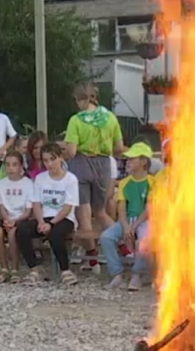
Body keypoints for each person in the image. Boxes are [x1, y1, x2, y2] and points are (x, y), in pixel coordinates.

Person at [65, 84, 122, 272]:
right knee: (100, 211)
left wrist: (63, 151)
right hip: (104, 165)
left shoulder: (76, 120)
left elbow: (71, 151)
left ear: (83, 100)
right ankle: (124, 244)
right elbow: (119, 148)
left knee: (84, 213)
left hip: (81, 164)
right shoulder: (110, 118)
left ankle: (93, 260)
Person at [16, 142, 80, 285]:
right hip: (44, 218)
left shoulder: (70, 179)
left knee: (55, 233)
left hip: (64, 219)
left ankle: (65, 270)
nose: (49, 164)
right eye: (46, 160)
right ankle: (35, 268)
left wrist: (51, 223)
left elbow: (68, 207)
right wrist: (41, 222)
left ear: (60, 158)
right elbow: (37, 203)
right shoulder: (40, 178)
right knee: (22, 229)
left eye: (53, 159)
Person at [101, 142, 155, 291]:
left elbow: (149, 209)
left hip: (145, 220)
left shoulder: (153, 182)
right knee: (106, 237)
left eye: (132, 159)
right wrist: (126, 227)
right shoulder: (124, 182)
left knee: (144, 241)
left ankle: (137, 274)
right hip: (128, 221)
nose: (127, 162)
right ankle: (117, 275)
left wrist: (134, 226)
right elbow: (122, 208)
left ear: (144, 162)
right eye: (128, 159)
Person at [0, 151, 34, 284]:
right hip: (7, 218)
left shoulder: (28, 184)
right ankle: (4, 268)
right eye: (8, 165)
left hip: (21, 219)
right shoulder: (0, 185)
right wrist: (6, 220)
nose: (11, 168)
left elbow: (28, 211)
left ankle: (15, 269)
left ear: (21, 166)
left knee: (12, 234)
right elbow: (2, 207)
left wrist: (14, 221)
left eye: (14, 164)